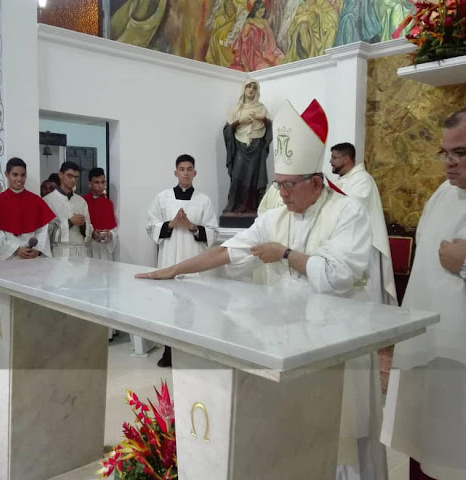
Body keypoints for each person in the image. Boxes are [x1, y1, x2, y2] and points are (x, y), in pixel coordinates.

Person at [138, 99, 388, 480]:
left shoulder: (348, 212)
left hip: (337, 341)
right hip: (288, 340)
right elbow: (227, 251)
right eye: (278, 185)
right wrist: (172, 270)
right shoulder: (276, 216)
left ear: (316, 183)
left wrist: (286, 253)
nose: (282, 193)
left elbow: (338, 275)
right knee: (291, 438)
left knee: (339, 441)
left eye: (289, 186)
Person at [381, 106, 466, 480]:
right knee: (424, 447)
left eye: (459, 153)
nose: (448, 164)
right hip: (429, 356)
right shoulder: (443, 193)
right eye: (444, 153)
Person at [145, 154, 219, 366]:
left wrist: (191, 226)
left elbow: (213, 232)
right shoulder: (163, 198)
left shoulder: (203, 201)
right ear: (175, 172)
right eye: (182, 169)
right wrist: (169, 224)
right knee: (169, 308)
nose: (186, 173)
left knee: (191, 307)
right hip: (169, 258)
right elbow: (150, 226)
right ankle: (168, 352)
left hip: (192, 260)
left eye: (189, 169)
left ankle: (190, 351)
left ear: (195, 173)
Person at [330, 142, 397, 305]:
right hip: (345, 245)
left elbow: (354, 207)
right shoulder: (344, 180)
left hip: (364, 247)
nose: (330, 161)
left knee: (364, 298)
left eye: (334, 157)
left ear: (346, 159)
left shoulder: (362, 179)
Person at [0, 157, 55, 260]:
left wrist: (37, 250)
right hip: (8, 258)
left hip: (32, 257)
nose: (19, 179)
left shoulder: (36, 201)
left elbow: (43, 231)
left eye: (23, 175)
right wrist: (15, 249)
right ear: (6, 174)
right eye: (15, 175)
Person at [223, 79, 272, 214]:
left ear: (257, 91)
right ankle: (234, 206)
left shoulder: (262, 108)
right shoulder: (237, 109)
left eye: (254, 88)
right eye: (248, 87)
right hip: (240, 146)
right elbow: (227, 130)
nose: (251, 90)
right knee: (237, 176)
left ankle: (253, 208)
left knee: (255, 178)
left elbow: (270, 128)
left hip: (256, 148)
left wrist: (263, 119)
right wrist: (240, 121)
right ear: (244, 90)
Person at [44, 161, 93, 257]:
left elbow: (88, 231)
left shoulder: (81, 201)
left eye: (76, 177)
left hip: (79, 252)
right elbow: (45, 232)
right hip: (59, 252)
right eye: (69, 176)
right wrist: (70, 222)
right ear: (60, 175)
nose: (73, 180)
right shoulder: (48, 200)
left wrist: (83, 225)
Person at [227, 0, 284, 72]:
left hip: (266, 52)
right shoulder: (249, 23)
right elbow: (244, 46)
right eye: (259, 11)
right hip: (253, 56)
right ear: (255, 11)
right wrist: (246, 63)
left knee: (281, 60)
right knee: (264, 68)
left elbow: (271, 41)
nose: (261, 13)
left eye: (262, 11)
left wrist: (267, 52)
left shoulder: (265, 22)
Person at [83, 167, 117, 261]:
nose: (101, 186)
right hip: (89, 248)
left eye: (103, 182)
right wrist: (92, 233)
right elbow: (81, 227)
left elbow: (113, 229)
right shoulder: (83, 202)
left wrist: (110, 234)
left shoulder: (108, 204)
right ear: (90, 184)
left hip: (105, 249)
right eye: (97, 182)